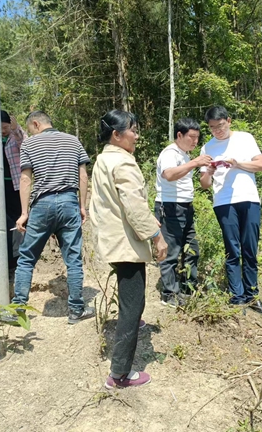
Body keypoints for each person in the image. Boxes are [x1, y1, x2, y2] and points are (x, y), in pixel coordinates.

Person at [89, 110, 168, 389]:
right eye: (132, 130)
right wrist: (157, 237)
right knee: (133, 306)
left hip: (113, 241)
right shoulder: (123, 163)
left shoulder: (102, 160)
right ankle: (119, 374)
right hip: (126, 245)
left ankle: (121, 365)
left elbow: (105, 206)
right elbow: (134, 206)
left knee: (129, 303)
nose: (137, 135)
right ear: (117, 134)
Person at [1, 111, 94, 325]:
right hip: (70, 202)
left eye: (31, 128)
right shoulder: (73, 141)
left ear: (35, 123)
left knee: (26, 259)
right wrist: (82, 206)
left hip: (42, 205)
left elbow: (25, 179)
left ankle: (18, 311)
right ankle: (76, 310)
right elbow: (83, 175)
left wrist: (24, 213)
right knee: (73, 260)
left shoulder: (30, 145)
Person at [199, 106, 262, 315]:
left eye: (220, 126)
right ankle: (237, 297)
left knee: (250, 248)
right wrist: (209, 171)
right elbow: (204, 184)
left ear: (228, 121)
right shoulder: (207, 148)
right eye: (212, 128)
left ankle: (253, 295)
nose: (217, 131)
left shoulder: (245, 138)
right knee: (232, 249)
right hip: (222, 201)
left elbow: (261, 165)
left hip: (248, 198)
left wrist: (238, 164)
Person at [155, 118, 212, 307]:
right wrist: (195, 163)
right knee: (171, 251)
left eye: (197, 138)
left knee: (192, 249)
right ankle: (169, 293)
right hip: (170, 206)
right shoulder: (170, 153)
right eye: (192, 137)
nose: (195, 142)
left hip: (185, 207)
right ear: (179, 135)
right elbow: (169, 174)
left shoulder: (184, 154)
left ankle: (189, 288)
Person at [1, 110, 26, 273]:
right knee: (5, 221)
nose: (3, 131)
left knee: (18, 220)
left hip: (16, 186)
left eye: (5, 127)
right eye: (0, 128)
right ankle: (8, 257)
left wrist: (16, 129)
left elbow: (24, 143)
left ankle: (19, 258)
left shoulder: (15, 135)